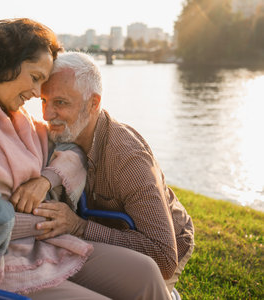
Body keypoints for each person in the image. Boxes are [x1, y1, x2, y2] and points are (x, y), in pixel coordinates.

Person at [0, 19, 170, 299]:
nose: (38, 92)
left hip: (40, 245)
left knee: (145, 274)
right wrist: (40, 222)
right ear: (4, 63)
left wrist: (45, 180)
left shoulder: (15, 117)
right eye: (35, 77)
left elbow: (72, 151)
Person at [31, 51, 195, 294]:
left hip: (164, 249)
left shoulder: (127, 158)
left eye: (60, 103)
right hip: (104, 240)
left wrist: (79, 226)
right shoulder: (65, 135)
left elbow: (163, 256)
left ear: (94, 103)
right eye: (44, 101)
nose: (46, 114)